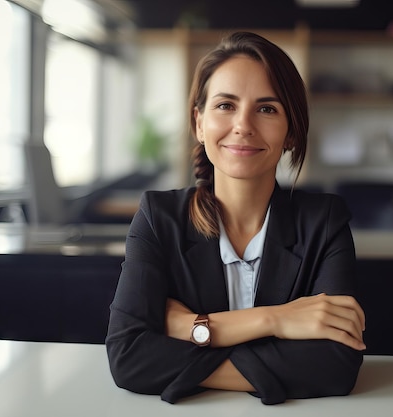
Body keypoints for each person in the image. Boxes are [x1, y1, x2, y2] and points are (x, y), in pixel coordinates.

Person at [106, 31, 366, 405]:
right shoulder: (158, 217)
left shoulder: (324, 222)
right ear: (199, 122)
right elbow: (128, 357)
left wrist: (191, 328)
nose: (243, 125)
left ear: (291, 131)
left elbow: (336, 365)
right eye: (226, 105)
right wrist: (274, 320)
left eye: (266, 108)